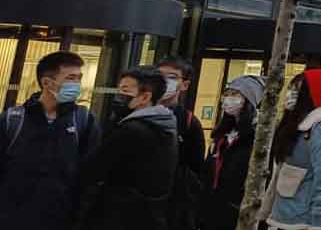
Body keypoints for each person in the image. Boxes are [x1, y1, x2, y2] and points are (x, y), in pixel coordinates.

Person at [0, 51, 100, 230]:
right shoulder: (13, 119)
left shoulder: (84, 120)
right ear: (47, 82)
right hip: (12, 218)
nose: (77, 84)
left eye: (79, 78)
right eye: (71, 78)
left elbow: (90, 176)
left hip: (61, 219)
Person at [77, 65, 179, 230]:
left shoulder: (131, 130)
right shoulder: (165, 125)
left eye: (125, 91)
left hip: (120, 217)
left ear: (145, 97)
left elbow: (94, 169)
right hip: (148, 217)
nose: (119, 96)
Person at [262, 69, 321, 230]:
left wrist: (320, 223)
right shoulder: (295, 128)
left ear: (309, 95)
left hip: (305, 223)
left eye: (296, 90)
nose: (290, 94)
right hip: (285, 219)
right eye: (290, 89)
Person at [198, 76, 264, 230]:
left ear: (248, 100)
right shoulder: (222, 133)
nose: (228, 99)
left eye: (235, 94)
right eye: (226, 94)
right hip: (212, 209)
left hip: (238, 210)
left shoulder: (258, 136)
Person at [156, 58, 206, 230]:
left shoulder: (189, 122)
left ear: (184, 85)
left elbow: (196, 169)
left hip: (172, 204)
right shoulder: (137, 113)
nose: (164, 81)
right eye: (159, 76)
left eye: (172, 77)